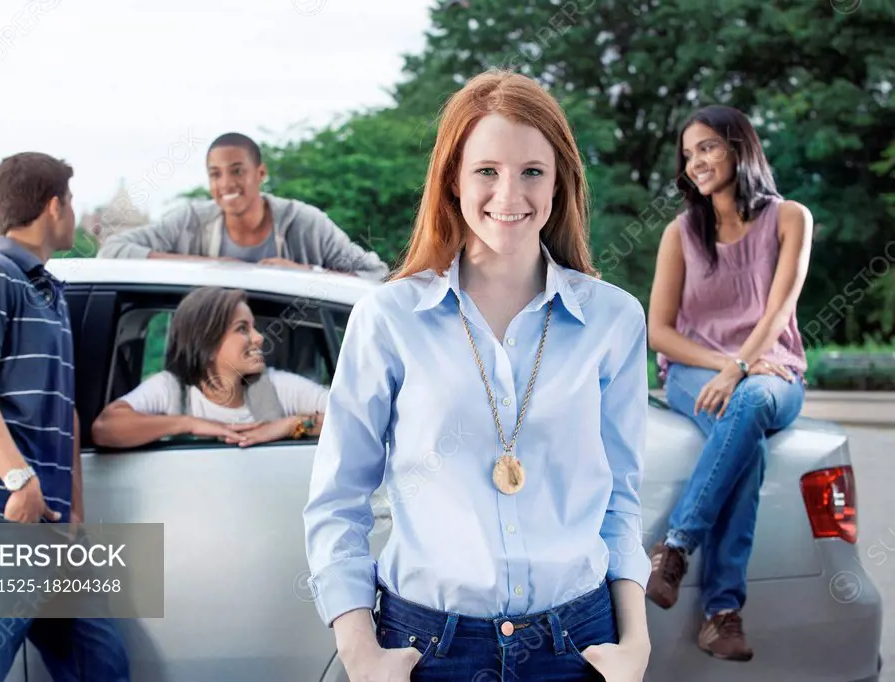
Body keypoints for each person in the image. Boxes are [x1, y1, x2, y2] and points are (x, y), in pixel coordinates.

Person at [303, 69, 652, 681]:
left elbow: (620, 497)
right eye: (486, 171)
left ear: (561, 181)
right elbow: (338, 501)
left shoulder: (615, 320)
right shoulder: (388, 318)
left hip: (581, 648)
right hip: (428, 650)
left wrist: (637, 646)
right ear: (453, 181)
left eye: (532, 172)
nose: (509, 194)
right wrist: (361, 656)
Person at [0, 152, 130, 680]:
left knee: (102, 667)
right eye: (70, 201)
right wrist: (19, 480)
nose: (74, 213)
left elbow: (63, 415)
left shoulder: (50, 291)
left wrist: (74, 519)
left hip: (49, 527)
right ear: (52, 206)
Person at [645, 105, 813, 661]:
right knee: (749, 444)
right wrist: (726, 363)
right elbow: (659, 332)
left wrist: (742, 363)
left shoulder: (791, 218)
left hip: (773, 369)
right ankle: (721, 614)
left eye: (708, 147)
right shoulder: (681, 233)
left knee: (751, 404)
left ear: (740, 148)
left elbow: (779, 307)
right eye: (689, 153)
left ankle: (675, 545)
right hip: (695, 372)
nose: (696, 162)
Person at [96, 132, 390, 281]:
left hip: (291, 376)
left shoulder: (305, 223)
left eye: (237, 170)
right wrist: (207, 265)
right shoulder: (191, 222)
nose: (226, 184)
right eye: (215, 174)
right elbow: (111, 249)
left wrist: (304, 272)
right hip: (208, 374)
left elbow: (375, 275)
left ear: (260, 173)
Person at [91, 286, 328, 449]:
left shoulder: (278, 386)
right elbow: (105, 428)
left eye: (253, 327)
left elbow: (353, 418)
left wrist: (290, 425)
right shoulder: (170, 388)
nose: (259, 338)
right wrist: (190, 423)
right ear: (209, 343)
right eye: (242, 329)